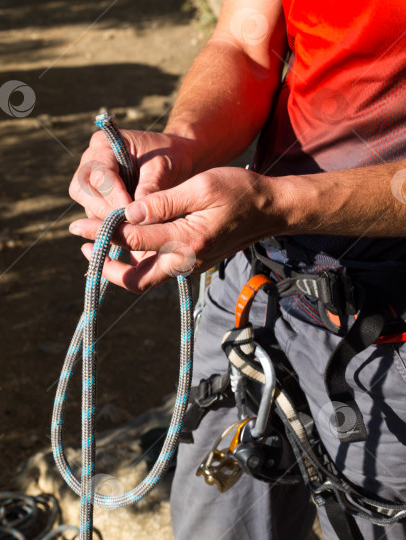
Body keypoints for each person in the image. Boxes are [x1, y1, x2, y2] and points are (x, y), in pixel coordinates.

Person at [67, 1, 406, 539]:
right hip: (256, 291)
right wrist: (181, 146)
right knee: (215, 520)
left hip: (390, 337)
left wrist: (278, 205)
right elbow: (245, 44)